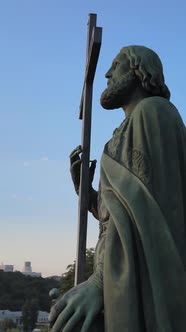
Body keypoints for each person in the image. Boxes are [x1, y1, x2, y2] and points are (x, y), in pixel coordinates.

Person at [49, 45, 186, 332]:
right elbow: (121, 215)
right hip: (116, 276)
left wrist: (100, 284)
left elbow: (151, 216)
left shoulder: (154, 113)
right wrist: (86, 194)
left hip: (138, 281)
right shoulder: (123, 131)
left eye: (116, 65)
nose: (109, 74)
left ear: (139, 70)